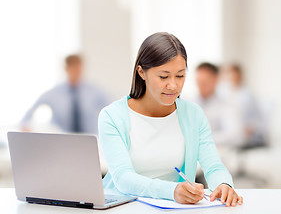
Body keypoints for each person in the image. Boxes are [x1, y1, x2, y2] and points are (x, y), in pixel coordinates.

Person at [98, 32, 243, 206]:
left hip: (173, 208)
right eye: (164, 76)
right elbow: (123, 178)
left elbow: (213, 166)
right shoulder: (112, 116)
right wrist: (171, 191)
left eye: (180, 76)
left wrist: (223, 184)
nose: (173, 85)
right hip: (123, 207)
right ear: (141, 72)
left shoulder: (193, 114)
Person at [20, 54, 110, 134]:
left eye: (79, 69)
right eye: (73, 69)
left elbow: (112, 109)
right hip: (62, 141)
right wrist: (26, 127)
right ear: (66, 69)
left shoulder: (94, 91)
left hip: (91, 139)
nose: (77, 73)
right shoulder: (53, 93)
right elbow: (27, 115)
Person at [194, 63, 244, 147]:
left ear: (215, 80)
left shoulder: (227, 106)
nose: (200, 87)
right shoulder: (190, 103)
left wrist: (201, 139)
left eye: (204, 82)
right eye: (198, 82)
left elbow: (234, 135)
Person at [218, 64, 265, 148]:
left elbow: (258, 119)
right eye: (230, 75)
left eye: (235, 75)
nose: (232, 78)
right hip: (226, 133)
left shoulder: (248, 95)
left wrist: (250, 128)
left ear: (240, 76)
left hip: (243, 133)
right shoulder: (222, 92)